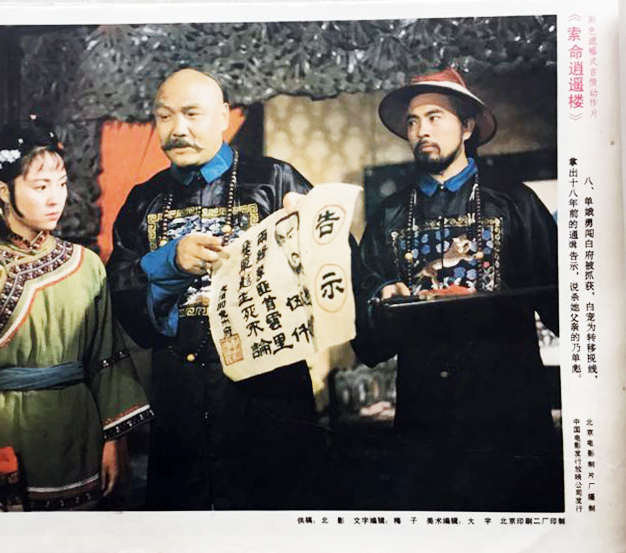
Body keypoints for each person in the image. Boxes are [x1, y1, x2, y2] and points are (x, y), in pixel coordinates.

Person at [0, 116, 153, 512]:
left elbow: (107, 358)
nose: (55, 198)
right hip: (0, 433)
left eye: (61, 184)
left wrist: (114, 438)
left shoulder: (86, 265)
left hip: (78, 432)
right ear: (2, 190)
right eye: (40, 186)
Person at [107, 68, 323, 510]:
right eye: (165, 116)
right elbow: (120, 290)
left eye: (192, 114)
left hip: (268, 398)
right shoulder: (143, 200)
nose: (177, 129)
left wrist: (310, 236)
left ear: (223, 116)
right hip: (180, 399)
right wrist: (170, 261)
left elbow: (335, 270)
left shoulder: (275, 180)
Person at [353, 67, 562, 511]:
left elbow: (566, 305)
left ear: (467, 127)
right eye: (413, 121)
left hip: (511, 408)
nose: (421, 131)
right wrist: (384, 295)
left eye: (435, 117)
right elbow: (364, 320)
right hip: (425, 413)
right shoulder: (389, 216)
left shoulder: (515, 203)